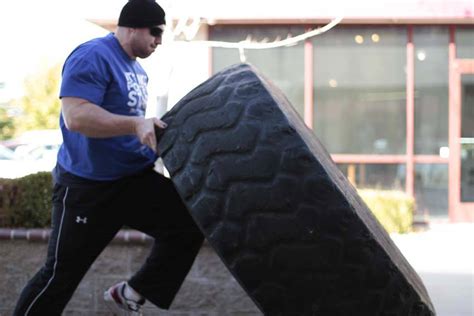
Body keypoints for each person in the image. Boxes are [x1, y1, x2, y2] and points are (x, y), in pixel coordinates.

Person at [13, 0, 204, 315]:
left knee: (189, 223)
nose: (159, 40)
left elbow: (128, 130)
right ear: (132, 27)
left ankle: (133, 291)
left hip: (131, 181)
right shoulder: (93, 56)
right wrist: (135, 124)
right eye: (155, 32)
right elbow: (76, 117)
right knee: (60, 277)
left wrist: (154, 142)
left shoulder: (138, 72)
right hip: (88, 188)